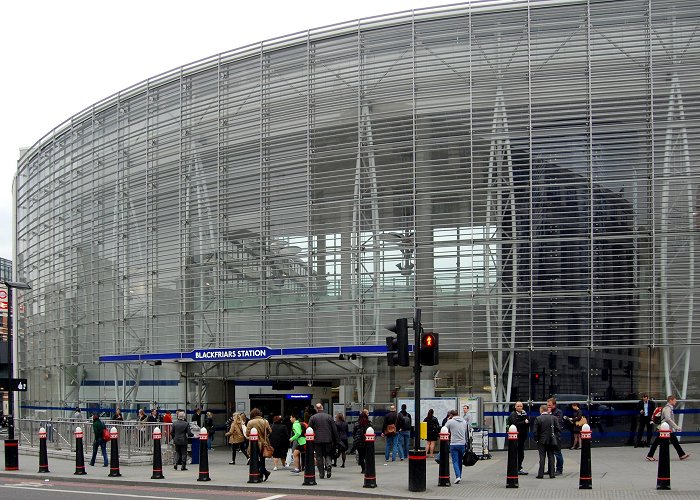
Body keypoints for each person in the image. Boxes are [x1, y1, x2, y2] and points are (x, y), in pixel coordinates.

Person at [646, 395, 691, 461]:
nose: (676, 401)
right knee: (657, 442)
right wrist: (676, 427)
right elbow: (668, 419)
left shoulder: (669, 408)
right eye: (674, 400)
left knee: (675, 442)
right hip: (664, 429)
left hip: (667, 429)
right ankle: (650, 455)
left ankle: (681, 455)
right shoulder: (667, 408)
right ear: (670, 400)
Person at [308, 402, 339, 479]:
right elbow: (334, 430)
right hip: (328, 440)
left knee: (319, 457)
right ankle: (328, 465)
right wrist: (337, 440)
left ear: (316, 409)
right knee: (328, 454)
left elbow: (309, 429)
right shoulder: (329, 417)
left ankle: (321, 473)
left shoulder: (313, 418)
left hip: (317, 440)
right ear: (322, 408)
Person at [534, 404, 560, 479]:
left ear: (541, 410)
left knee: (542, 457)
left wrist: (536, 439)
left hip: (541, 440)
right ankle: (552, 474)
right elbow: (558, 428)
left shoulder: (538, 418)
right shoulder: (554, 418)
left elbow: (535, 431)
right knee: (551, 456)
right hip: (551, 440)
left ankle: (540, 474)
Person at [246, 408, 272, 481]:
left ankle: (263, 472)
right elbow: (270, 431)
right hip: (264, 443)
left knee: (254, 458)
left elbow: (247, 433)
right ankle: (262, 474)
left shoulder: (250, 422)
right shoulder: (265, 421)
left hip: (254, 443)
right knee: (262, 459)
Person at [445, 409, 468, 484]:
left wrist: (448, 420)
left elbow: (444, 429)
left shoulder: (450, 421)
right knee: (460, 461)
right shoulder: (464, 422)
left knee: (455, 461)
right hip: (462, 444)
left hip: (454, 444)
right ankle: (459, 476)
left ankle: (457, 476)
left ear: (451, 415)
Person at [508, 401, 529, 474]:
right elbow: (515, 424)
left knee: (521, 454)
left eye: (521, 406)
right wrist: (524, 422)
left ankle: (519, 467)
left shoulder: (524, 413)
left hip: (523, 436)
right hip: (516, 437)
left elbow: (528, 422)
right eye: (518, 406)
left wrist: (526, 422)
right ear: (515, 407)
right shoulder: (513, 414)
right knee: (515, 453)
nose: (519, 407)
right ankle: (515, 468)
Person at [547, 398, 564, 475]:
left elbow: (556, 422)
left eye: (550, 405)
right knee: (550, 453)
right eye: (547, 405)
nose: (548, 407)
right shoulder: (547, 412)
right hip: (548, 435)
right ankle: (550, 469)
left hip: (556, 435)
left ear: (554, 405)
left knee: (557, 453)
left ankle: (559, 469)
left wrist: (550, 414)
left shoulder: (558, 412)